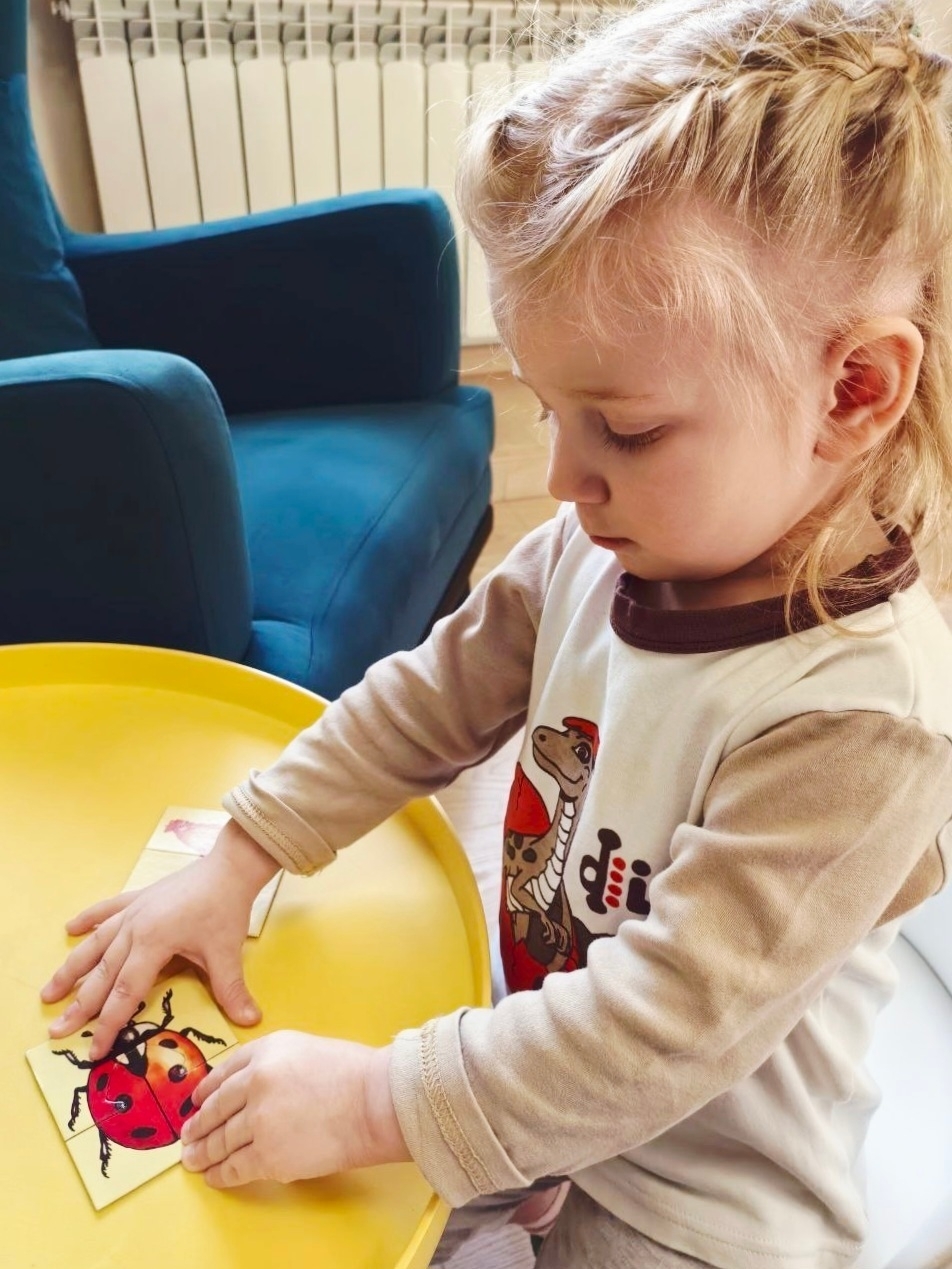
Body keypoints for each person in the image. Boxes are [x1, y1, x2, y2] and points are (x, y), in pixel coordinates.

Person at [40, 0, 952, 1265]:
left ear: (852, 391)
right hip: (529, 1061)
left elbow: (660, 1033)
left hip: (696, 1184)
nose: (562, 477)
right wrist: (242, 852)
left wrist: (374, 1104)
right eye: (546, 409)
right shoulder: (595, 544)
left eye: (623, 429)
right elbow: (426, 700)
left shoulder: (861, 725)